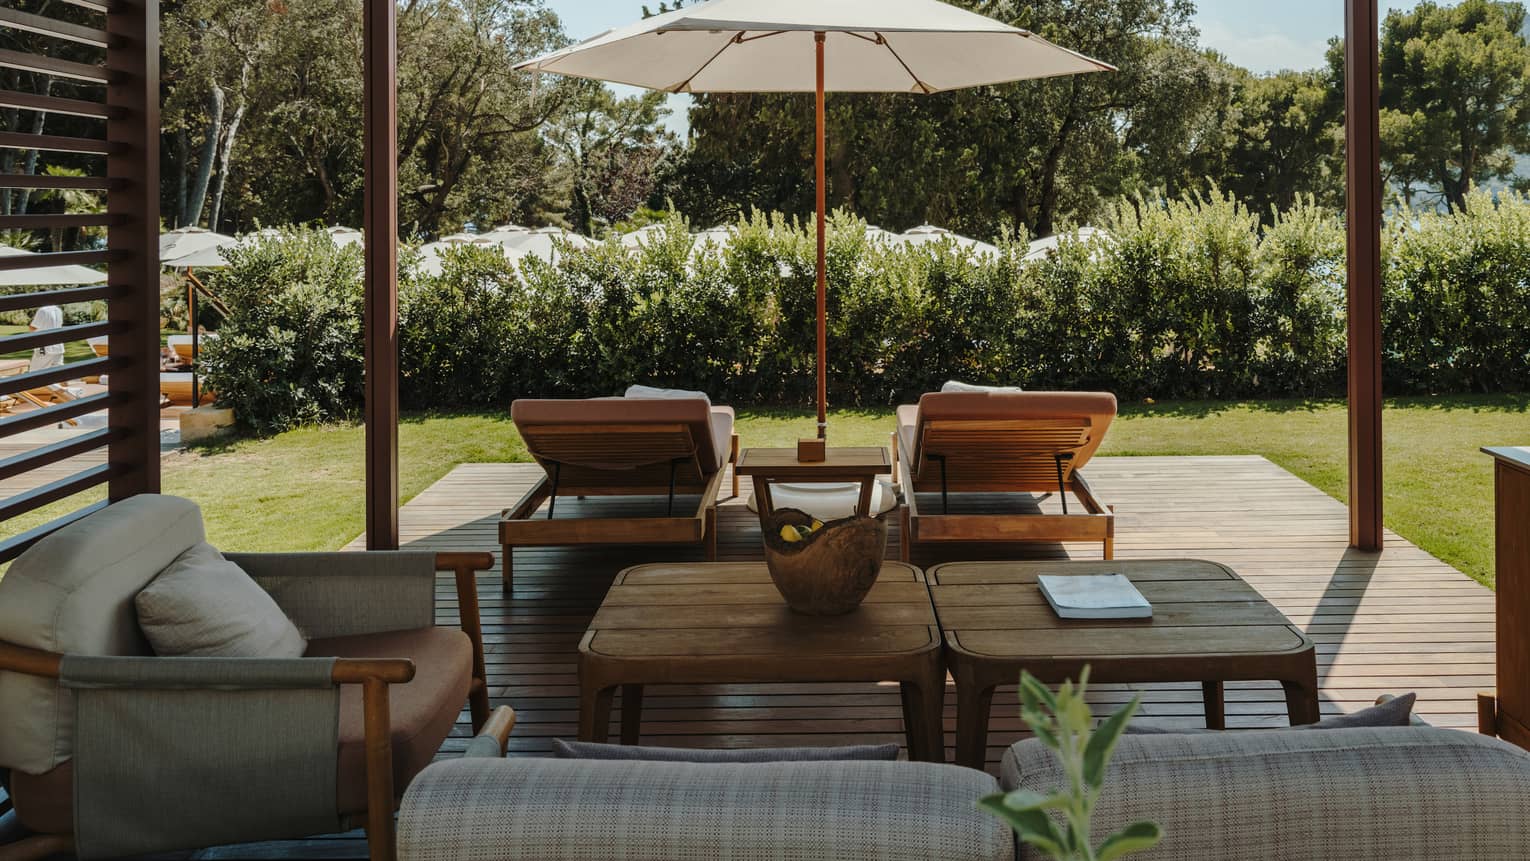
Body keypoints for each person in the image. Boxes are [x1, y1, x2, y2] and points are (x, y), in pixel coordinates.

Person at [27, 305, 65, 373]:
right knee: (60, 374)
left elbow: (33, 327)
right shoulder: (58, 310)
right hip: (58, 346)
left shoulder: (43, 310)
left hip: (44, 348)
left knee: (33, 374)